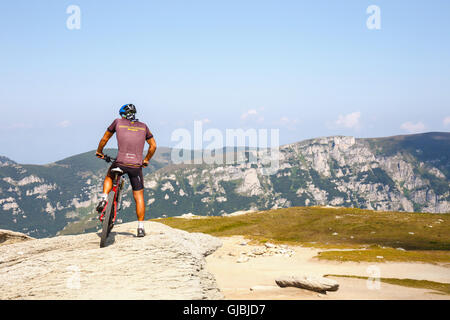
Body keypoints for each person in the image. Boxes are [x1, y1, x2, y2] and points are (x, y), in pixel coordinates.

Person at [95, 104, 157, 237]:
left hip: (120, 163)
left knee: (109, 176)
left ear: (122, 114)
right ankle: (140, 228)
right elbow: (153, 146)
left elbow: (104, 139)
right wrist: (146, 160)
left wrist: (99, 151)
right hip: (136, 166)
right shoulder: (144, 126)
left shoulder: (117, 122)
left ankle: (104, 199)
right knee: (139, 196)